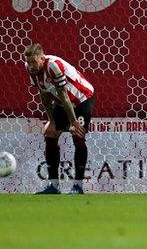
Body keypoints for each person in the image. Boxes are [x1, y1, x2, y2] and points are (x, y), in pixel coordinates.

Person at [24, 43, 95, 195]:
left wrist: (74, 122)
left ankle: (78, 186)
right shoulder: (30, 69)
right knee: (50, 133)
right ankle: (54, 186)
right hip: (62, 102)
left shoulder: (53, 66)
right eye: (28, 62)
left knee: (78, 135)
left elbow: (64, 94)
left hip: (82, 98)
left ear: (42, 59)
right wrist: (51, 120)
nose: (31, 66)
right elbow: (43, 94)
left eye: (34, 62)